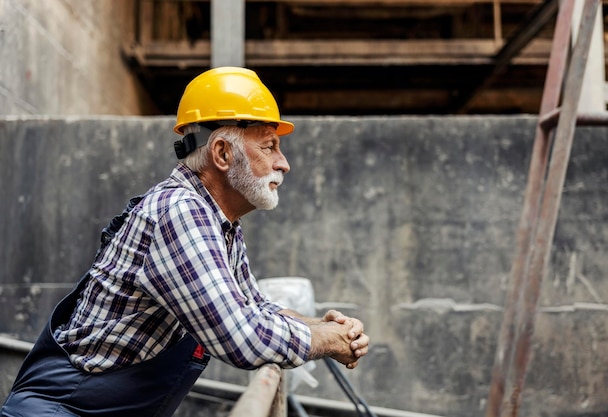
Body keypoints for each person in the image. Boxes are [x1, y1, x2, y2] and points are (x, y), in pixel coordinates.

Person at [1, 67, 369, 417]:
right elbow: (242, 338)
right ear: (223, 153)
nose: (283, 163)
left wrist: (323, 325)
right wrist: (327, 341)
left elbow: (253, 309)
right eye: (269, 146)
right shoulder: (181, 214)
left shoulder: (218, 222)